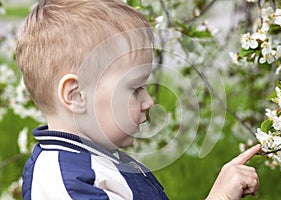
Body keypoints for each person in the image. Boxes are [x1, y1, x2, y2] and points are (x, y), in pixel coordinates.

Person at [16, 0, 261, 199]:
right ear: (76, 95)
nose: (150, 102)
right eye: (135, 88)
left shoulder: (99, 159)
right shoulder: (67, 184)